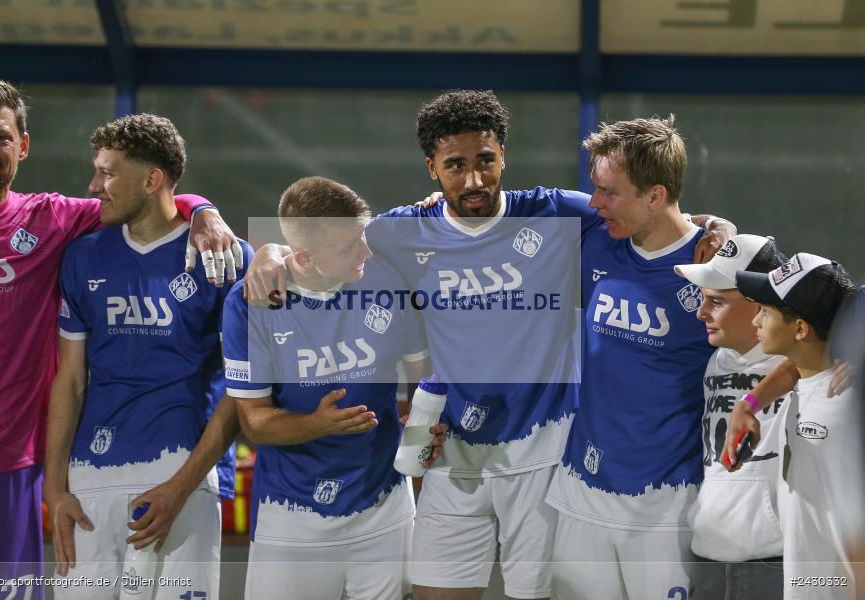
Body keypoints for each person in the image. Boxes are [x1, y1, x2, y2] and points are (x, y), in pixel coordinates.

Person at [245, 92, 735, 600]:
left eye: (486, 160)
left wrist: (717, 226)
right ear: (431, 167)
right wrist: (270, 252)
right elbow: (326, 241)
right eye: (455, 165)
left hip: (542, 456)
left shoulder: (554, 214)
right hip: (450, 454)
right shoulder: (399, 231)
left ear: (503, 155)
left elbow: (652, 211)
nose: (474, 179)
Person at [0, 78, 240, 599]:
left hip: (5, 470)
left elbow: (153, 203)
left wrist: (206, 210)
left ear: (22, 146)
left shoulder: (52, 222)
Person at [43, 113, 254, 599]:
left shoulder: (225, 257)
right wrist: (56, 489)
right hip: (90, 480)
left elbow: (244, 389)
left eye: (108, 173)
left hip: (183, 480)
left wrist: (182, 487)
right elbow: (70, 381)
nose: (93, 186)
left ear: (152, 179)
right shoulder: (82, 255)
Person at [220, 176, 444, 599]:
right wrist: (318, 423)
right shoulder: (251, 302)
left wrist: (423, 424)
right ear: (302, 256)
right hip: (291, 514)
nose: (366, 251)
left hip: (384, 507)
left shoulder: (386, 278)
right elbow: (254, 423)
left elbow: (425, 375)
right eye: (349, 247)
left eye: (362, 236)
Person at [544, 115, 727, 600]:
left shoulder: (716, 267)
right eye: (595, 188)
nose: (595, 202)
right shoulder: (595, 235)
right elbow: (491, 214)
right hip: (582, 486)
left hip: (668, 503)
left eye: (609, 191)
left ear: (655, 195)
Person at [733, 253, 860, 600]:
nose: (756, 320)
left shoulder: (846, 403)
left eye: (766, 312)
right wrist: (749, 403)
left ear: (801, 329)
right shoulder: (806, 383)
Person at [673, 234, 788, 599]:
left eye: (716, 302)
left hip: (772, 562)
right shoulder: (716, 359)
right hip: (708, 555)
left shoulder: (807, 362)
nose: (700, 312)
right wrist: (712, 224)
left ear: (759, 306)